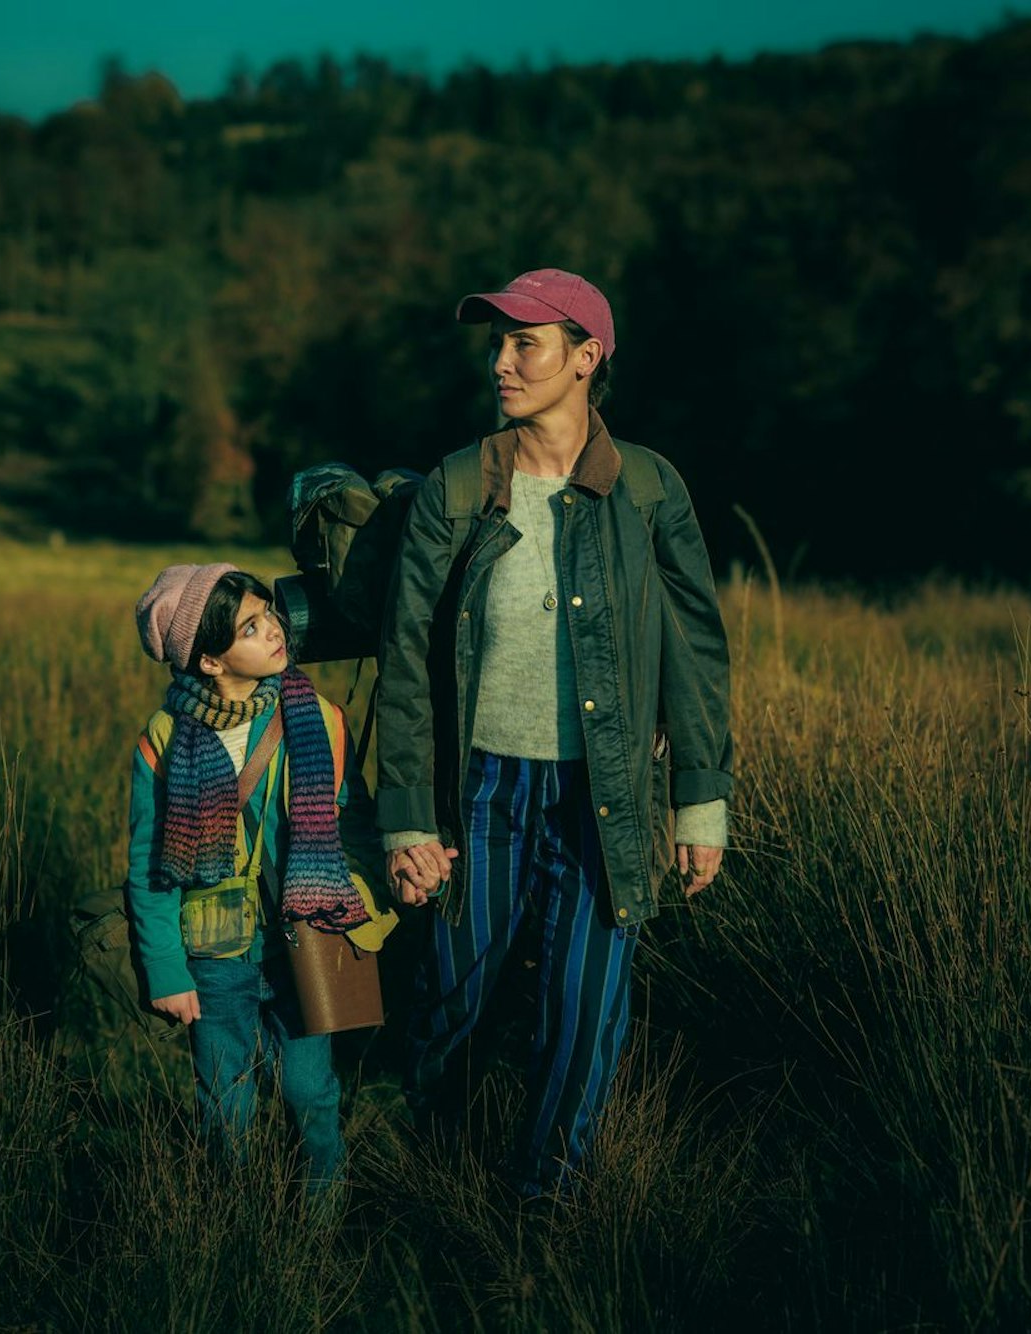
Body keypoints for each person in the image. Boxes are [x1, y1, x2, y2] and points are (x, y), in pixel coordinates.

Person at [375, 268, 734, 1196]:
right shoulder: (458, 486)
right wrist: (410, 816)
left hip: (602, 792)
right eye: (496, 343)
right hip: (480, 789)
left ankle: (546, 1200)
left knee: (585, 1003)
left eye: (523, 343)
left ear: (586, 357)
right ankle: (427, 1163)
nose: (501, 362)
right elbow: (407, 656)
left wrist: (701, 801)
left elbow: (695, 648)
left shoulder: (648, 488)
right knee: (453, 990)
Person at [123, 562, 378, 1194]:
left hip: (304, 941)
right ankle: (238, 1230)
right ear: (209, 660)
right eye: (250, 627)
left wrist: (366, 896)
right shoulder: (163, 740)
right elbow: (148, 868)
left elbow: (357, 828)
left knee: (311, 1093)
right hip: (211, 954)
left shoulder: (319, 719)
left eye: (270, 615)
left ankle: (321, 1230)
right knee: (225, 1105)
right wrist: (167, 971)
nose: (274, 632)